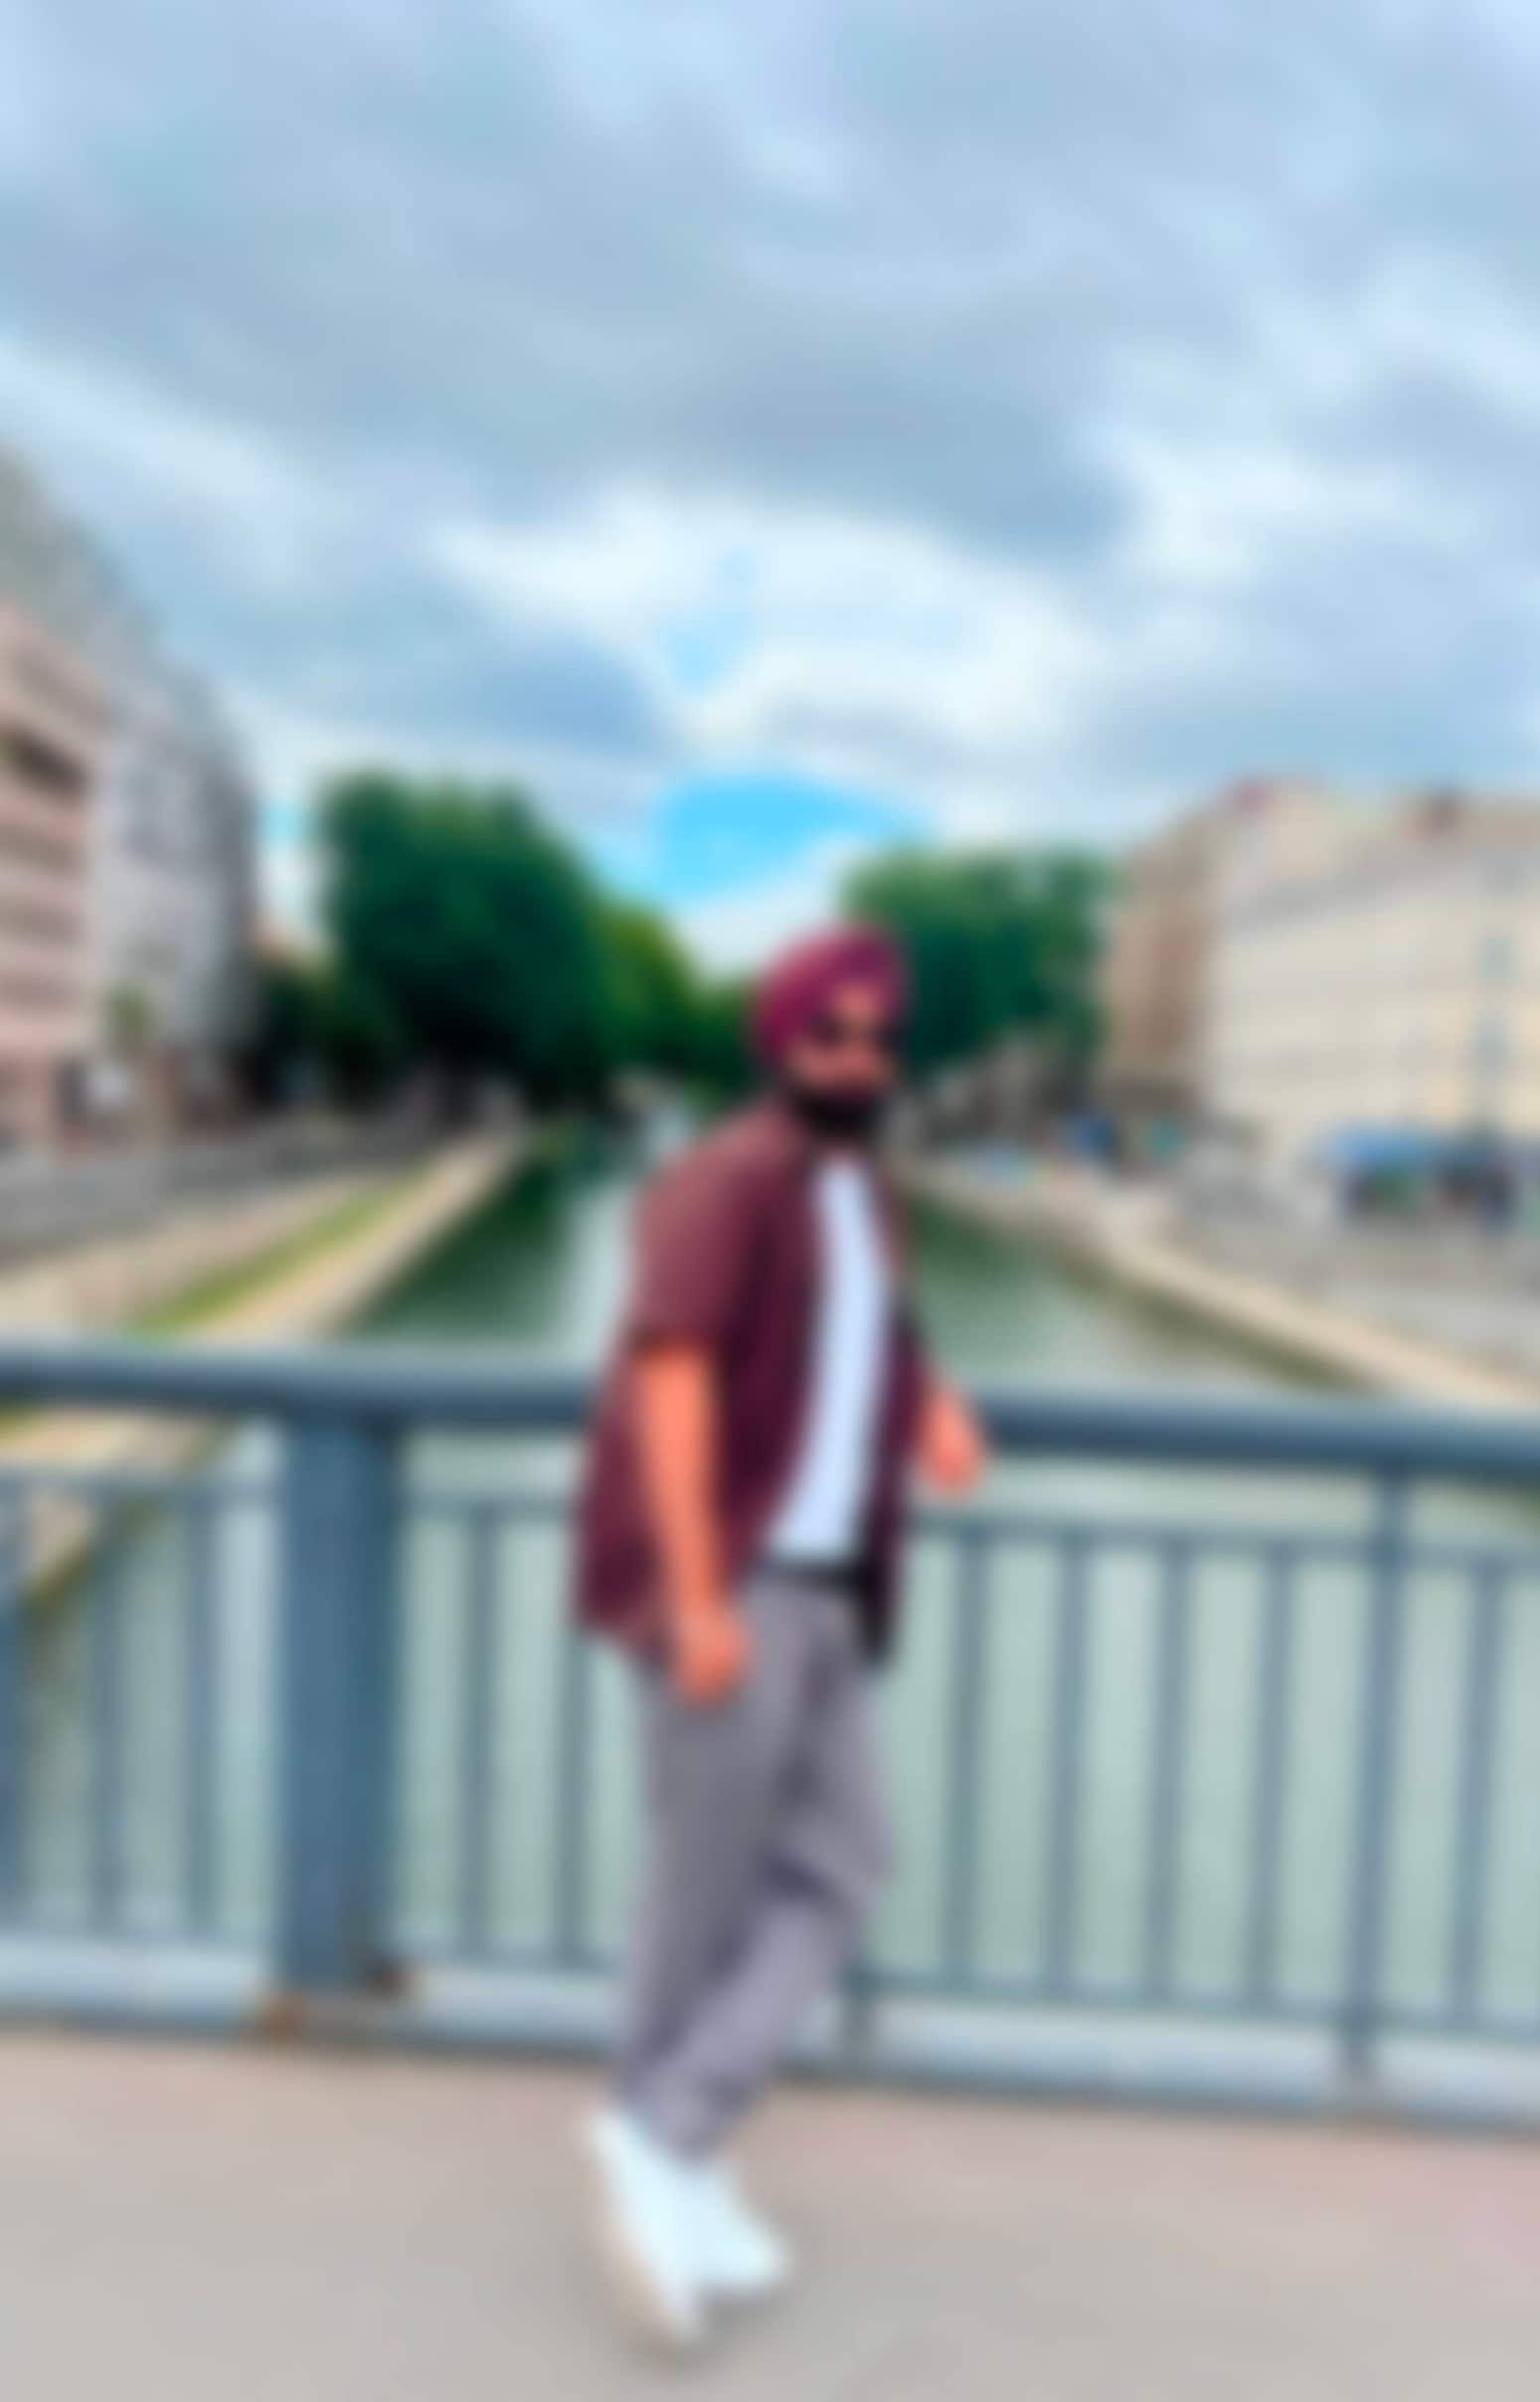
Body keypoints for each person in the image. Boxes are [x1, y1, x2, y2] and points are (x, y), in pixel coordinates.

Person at [572, 922, 988, 2351]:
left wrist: (933, 1406)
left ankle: (670, 2137)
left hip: (826, 1586)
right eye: (833, 1033)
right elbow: (670, 1380)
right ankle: (660, 2147)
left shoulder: (863, 1190)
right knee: (703, 1887)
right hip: (737, 1581)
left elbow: (883, 1331)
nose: (861, 1059)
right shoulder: (727, 1179)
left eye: (881, 1038)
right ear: (782, 1041)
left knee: (845, 1862)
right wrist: (696, 1600)